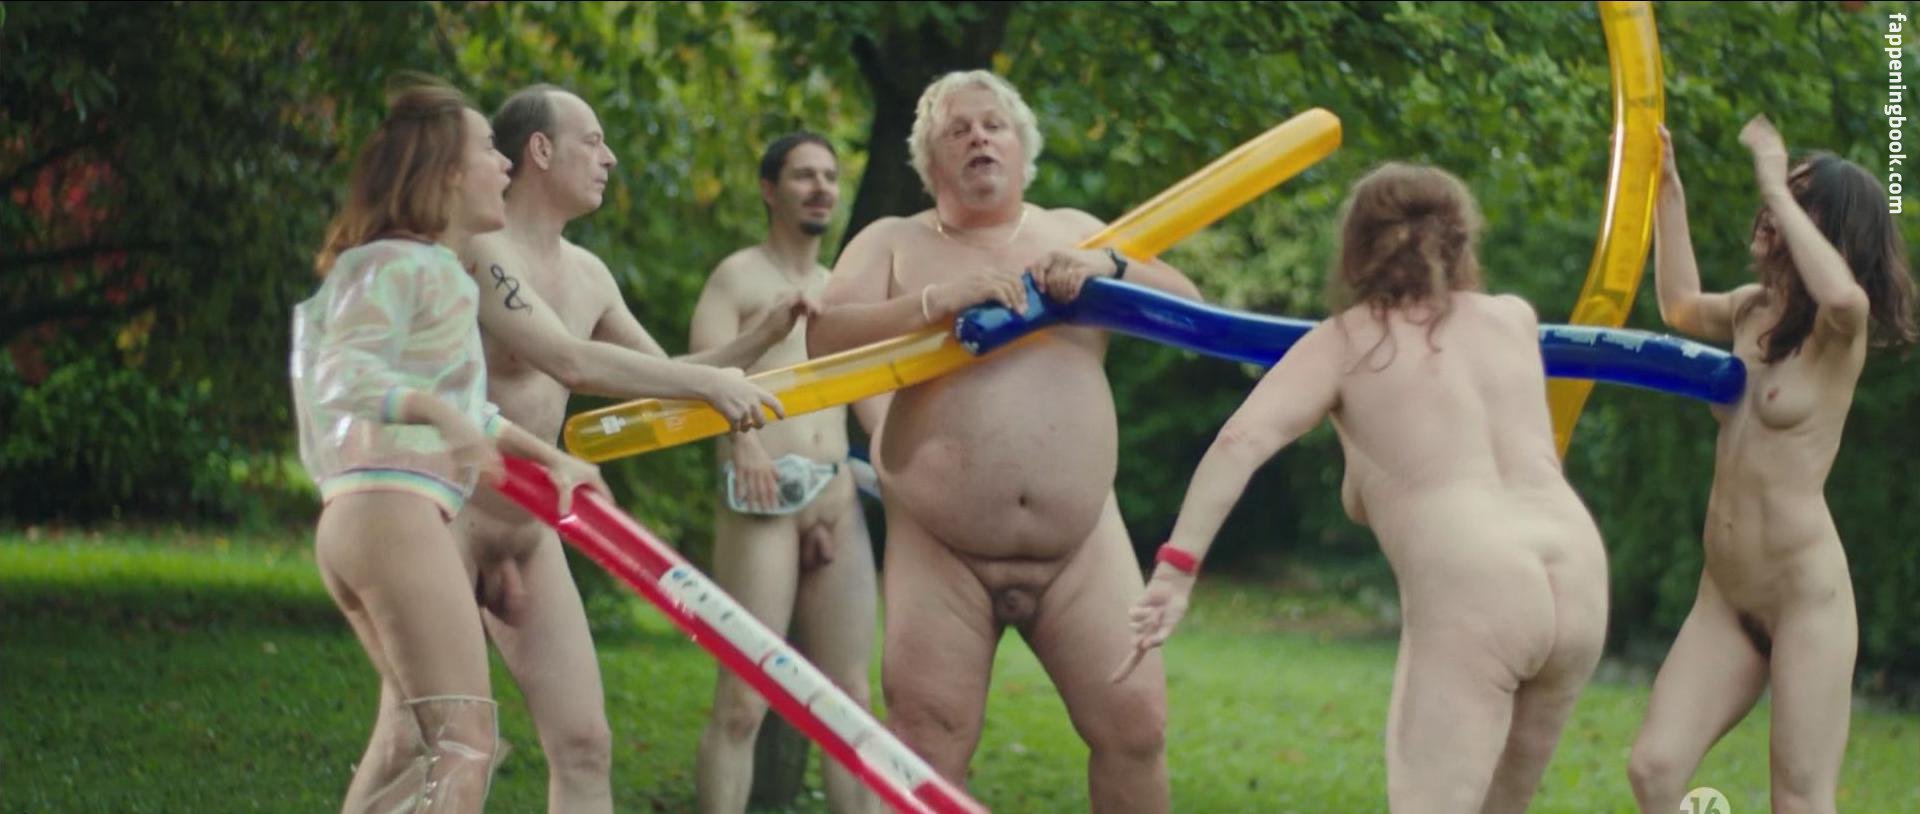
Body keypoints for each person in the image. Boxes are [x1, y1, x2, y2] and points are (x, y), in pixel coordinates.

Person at [1116, 163, 1611, 813]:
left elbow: (1239, 442)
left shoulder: (1345, 342)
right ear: (1462, 239)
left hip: (1476, 572)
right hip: (1575, 563)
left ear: (1356, 245)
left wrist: (1175, 570)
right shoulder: (1512, 318)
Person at [807, 70, 1201, 812]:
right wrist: (934, 302)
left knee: (1135, 726)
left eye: (993, 125)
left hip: (1082, 540)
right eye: (957, 130)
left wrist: (1110, 269)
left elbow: (1191, 309)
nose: (978, 138)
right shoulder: (892, 241)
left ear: (1023, 149)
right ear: (930, 162)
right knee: (926, 743)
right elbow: (823, 336)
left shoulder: (1076, 231)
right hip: (940, 543)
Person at [447, 83, 792, 813]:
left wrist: (760, 338)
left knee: (584, 744)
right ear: (541, 150)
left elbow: (665, 380)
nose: (609, 158)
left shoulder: (590, 274)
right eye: (594, 141)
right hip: (449, 517)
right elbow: (570, 361)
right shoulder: (483, 250)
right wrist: (711, 385)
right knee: (443, 741)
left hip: (529, 530)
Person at [291, 75, 609, 814]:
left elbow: (472, 413)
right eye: (489, 151)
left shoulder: (437, 273)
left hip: (388, 515)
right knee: (462, 743)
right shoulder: (393, 263)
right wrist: (438, 410)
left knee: (426, 741)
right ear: (447, 174)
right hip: (388, 513)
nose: (505, 164)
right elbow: (343, 376)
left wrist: (553, 459)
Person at [1626, 116, 1916, 814]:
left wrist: (1773, 178)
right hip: (1725, 597)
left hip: (1804, 602)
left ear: (1830, 230)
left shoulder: (1837, 330)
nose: (1770, 206)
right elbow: (1677, 304)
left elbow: (1844, 295)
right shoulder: (1751, 310)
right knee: (1654, 771)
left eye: (1796, 198)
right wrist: (1668, 188)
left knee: (1799, 800)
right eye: (1779, 193)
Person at [689, 131, 883, 814]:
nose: (821, 187)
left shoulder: (840, 290)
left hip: (835, 497)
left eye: (829, 175)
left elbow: (868, 398)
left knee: (849, 700)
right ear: (770, 190)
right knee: (744, 699)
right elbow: (701, 379)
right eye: (804, 175)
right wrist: (740, 445)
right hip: (760, 498)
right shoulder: (737, 277)